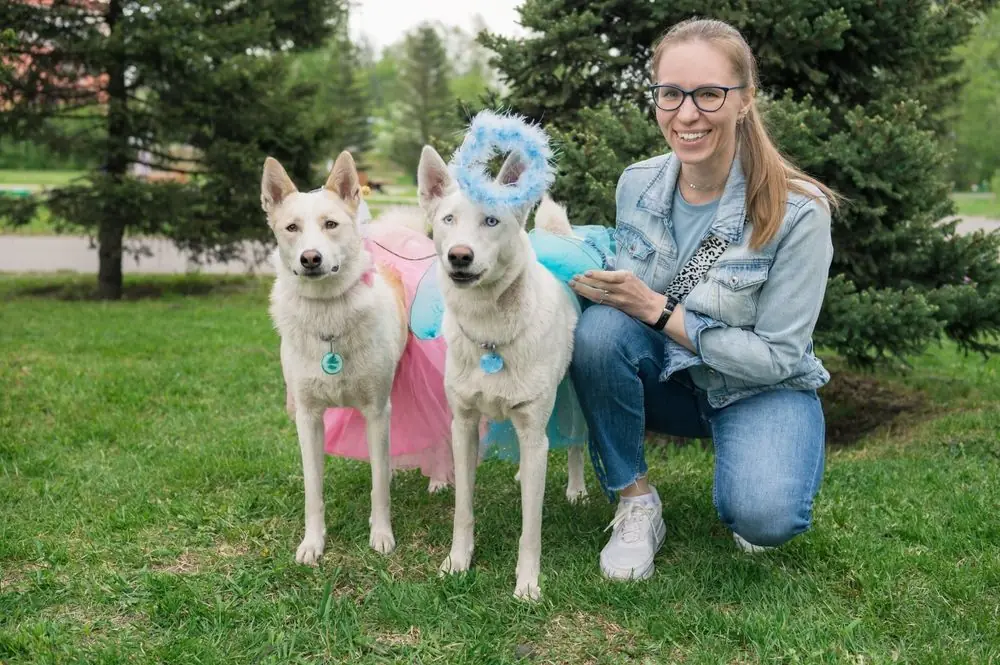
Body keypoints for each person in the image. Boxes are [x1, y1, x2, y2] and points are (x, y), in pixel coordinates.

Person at [567, 17, 840, 581]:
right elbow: (625, 314)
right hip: (669, 379)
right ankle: (636, 502)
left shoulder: (800, 212)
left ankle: (751, 477)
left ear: (745, 99)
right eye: (670, 93)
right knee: (597, 332)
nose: (686, 114)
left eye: (709, 94)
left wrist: (658, 309)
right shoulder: (636, 183)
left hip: (758, 389)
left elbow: (779, 358)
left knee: (766, 518)